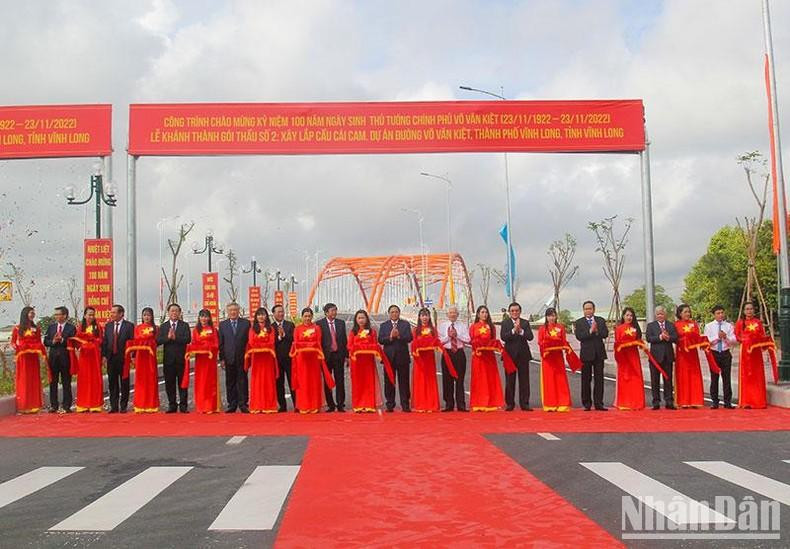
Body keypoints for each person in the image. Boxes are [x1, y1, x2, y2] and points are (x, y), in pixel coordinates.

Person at [347, 310, 393, 413]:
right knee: (357, 384)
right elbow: (349, 346)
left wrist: (365, 347)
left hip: (368, 362)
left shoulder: (372, 332)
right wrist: (357, 348)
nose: (361, 320)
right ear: (356, 320)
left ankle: (369, 404)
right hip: (356, 363)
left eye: (363, 318)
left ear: (366, 319)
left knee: (369, 383)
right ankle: (358, 405)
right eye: (359, 318)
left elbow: (375, 345)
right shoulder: (353, 332)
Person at [290, 308, 333, 414]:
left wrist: (305, 344)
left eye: (309, 316)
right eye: (305, 316)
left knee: (314, 382)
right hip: (301, 360)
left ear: (312, 316)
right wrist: (309, 344)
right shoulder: (297, 329)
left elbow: (317, 342)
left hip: (314, 359)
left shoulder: (317, 328)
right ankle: (303, 405)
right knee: (303, 383)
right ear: (302, 317)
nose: (307, 318)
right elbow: (296, 343)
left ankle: (314, 405)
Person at [735, 302, 775, 409]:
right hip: (745, 352)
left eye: (751, 309)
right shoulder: (740, 323)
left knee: (757, 375)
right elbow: (737, 336)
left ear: (754, 310)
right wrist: (746, 340)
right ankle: (746, 401)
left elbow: (762, 335)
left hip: (756, 353)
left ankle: (758, 401)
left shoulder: (758, 322)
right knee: (746, 375)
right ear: (744, 311)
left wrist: (765, 342)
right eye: (747, 309)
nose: (749, 311)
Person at [469, 305, 509, 411]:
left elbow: (493, 340)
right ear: (478, 314)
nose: (484, 314)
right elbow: (471, 340)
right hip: (478, 356)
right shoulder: (473, 326)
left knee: (490, 378)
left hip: (489, 356)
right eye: (482, 312)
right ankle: (478, 403)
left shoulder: (491, 327)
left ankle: (491, 402)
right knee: (479, 379)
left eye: (486, 312)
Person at [410, 308, 449, 413]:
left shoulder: (433, 329)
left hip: (429, 358)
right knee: (420, 380)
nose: (424, 317)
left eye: (426, 315)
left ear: (429, 317)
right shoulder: (415, 330)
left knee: (430, 380)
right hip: (419, 359)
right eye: (422, 315)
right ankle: (420, 404)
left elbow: (437, 342)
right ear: (419, 317)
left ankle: (431, 404)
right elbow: (413, 344)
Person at [536, 308, 574, 412]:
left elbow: (563, 341)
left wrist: (565, 347)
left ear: (556, 316)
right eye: (549, 316)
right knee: (549, 380)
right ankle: (550, 404)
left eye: (553, 315)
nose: (551, 318)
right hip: (547, 358)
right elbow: (540, 342)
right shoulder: (542, 329)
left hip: (558, 357)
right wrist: (547, 347)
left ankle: (563, 403)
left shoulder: (560, 327)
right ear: (546, 317)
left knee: (560, 379)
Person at [10, 306, 46, 413]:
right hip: (23, 358)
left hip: (33, 358)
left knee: (34, 380)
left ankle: (35, 405)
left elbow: (39, 342)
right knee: (24, 380)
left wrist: (39, 348)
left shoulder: (37, 328)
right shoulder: (17, 328)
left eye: (33, 313)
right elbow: (12, 342)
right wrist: (17, 347)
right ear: (25, 314)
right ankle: (24, 406)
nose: (32, 315)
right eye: (31, 313)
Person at [574, 301, 609, 411]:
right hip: (586, 354)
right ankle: (587, 403)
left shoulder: (600, 320)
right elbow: (579, 336)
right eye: (586, 309)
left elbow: (605, 334)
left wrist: (597, 330)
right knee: (586, 379)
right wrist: (590, 331)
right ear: (583, 310)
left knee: (599, 379)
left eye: (590, 308)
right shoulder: (579, 322)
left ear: (594, 309)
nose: (588, 311)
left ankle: (599, 403)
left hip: (599, 354)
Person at [157, 303, 191, 413]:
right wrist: (168, 338)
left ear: (180, 312)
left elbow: (188, 339)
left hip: (181, 359)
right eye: (172, 311)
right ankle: (172, 405)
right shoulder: (164, 326)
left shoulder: (184, 325)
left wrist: (175, 337)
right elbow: (158, 341)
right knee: (170, 383)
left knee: (183, 383)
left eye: (176, 311)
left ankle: (183, 405)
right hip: (169, 360)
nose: (174, 313)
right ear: (168, 313)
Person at [378, 304, 413, 412]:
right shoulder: (384, 325)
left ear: (399, 313)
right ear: (389, 314)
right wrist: (390, 337)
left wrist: (399, 336)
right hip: (388, 358)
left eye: (396, 312)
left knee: (404, 382)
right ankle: (390, 405)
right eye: (392, 312)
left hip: (402, 357)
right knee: (389, 382)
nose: (394, 314)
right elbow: (380, 340)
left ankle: (405, 404)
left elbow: (409, 338)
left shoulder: (405, 324)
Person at [500, 302, 534, 411]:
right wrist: (513, 331)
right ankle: (510, 403)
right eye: (512, 311)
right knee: (510, 381)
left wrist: (521, 331)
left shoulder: (525, 323)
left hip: (523, 355)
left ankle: (524, 403)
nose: (515, 312)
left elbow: (530, 337)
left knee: (524, 380)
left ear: (520, 311)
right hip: (509, 355)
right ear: (510, 312)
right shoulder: (505, 323)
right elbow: (503, 337)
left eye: (517, 311)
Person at [69, 307, 104, 413]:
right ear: (84, 315)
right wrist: (83, 344)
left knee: (94, 379)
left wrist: (93, 341)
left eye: (93, 315)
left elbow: (101, 339)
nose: (91, 317)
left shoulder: (97, 327)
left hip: (94, 356)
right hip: (84, 356)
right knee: (84, 379)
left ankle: (95, 404)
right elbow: (77, 341)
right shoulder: (80, 327)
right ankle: (83, 404)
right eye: (89, 314)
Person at [125, 307, 160, 413]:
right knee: (140, 380)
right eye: (145, 315)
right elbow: (136, 340)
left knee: (151, 379)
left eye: (149, 315)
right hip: (141, 356)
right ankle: (140, 405)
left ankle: (151, 405)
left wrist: (149, 340)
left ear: (152, 316)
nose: (147, 317)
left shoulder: (156, 328)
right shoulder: (137, 328)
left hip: (150, 356)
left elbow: (157, 342)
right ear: (142, 316)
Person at [245, 307, 279, 414]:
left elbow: (271, 341)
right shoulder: (252, 329)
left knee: (268, 381)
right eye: (259, 315)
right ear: (256, 317)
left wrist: (260, 344)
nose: (261, 317)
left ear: (266, 316)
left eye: (263, 314)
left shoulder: (271, 329)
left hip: (268, 358)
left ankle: (269, 405)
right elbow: (251, 342)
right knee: (257, 381)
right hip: (257, 359)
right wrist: (262, 344)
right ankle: (257, 405)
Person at [218, 302, 251, 413]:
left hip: (242, 357)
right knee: (230, 381)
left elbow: (249, 341)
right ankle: (232, 404)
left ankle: (243, 404)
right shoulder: (223, 325)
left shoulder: (246, 323)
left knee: (242, 381)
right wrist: (222, 358)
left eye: (235, 310)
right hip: (229, 358)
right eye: (231, 310)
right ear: (227, 312)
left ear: (239, 311)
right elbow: (221, 343)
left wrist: (249, 356)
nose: (233, 312)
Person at [185, 309, 220, 413]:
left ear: (209, 318)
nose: (204, 318)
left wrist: (208, 346)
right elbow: (194, 343)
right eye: (202, 316)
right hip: (200, 361)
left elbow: (216, 344)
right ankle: (201, 406)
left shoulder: (213, 330)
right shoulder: (196, 330)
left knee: (210, 383)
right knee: (200, 383)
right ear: (199, 318)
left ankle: (210, 406)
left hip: (210, 360)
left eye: (206, 316)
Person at [101, 304, 135, 413]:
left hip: (123, 358)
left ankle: (123, 405)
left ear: (121, 314)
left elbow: (132, 342)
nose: (112, 314)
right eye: (111, 312)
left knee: (124, 382)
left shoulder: (129, 326)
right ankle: (114, 406)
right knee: (112, 383)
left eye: (114, 312)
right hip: (111, 358)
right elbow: (105, 342)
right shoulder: (108, 326)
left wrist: (132, 355)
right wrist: (104, 356)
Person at [437, 306, 470, 411]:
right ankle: (449, 404)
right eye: (450, 313)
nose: (452, 314)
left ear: (457, 314)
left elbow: (468, 339)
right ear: (447, 315)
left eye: (454, 313)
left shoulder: (463, 326)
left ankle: (461, 405)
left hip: (459, 353)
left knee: (460, 379)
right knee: (447, 380)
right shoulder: (442, 326)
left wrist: (457, 336)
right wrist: (448, 336)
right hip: (447, 353)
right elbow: (439, 341)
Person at [43, 306, 76, 413]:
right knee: (53, 382)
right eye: (55, 314)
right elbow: (45, 341)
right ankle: (54, 405)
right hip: (53, 358)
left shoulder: (71, 328)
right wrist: (53, 341)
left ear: (65, 315)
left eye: (58, 314)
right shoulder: (51, 327)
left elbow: (73, 342)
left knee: (66, 382)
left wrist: (61, 339)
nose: (56, 316)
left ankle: (66, 405)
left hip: (65, 358)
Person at [704, 305, 737, 409]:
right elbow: (706, 341)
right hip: (714, 353)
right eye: (718, 313)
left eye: (722, 312)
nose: (720, 315)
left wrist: (725, 337)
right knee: (714, 378)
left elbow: (734, 340)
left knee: (726, 378)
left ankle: (727, 401)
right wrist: (717, 338)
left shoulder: (729, 326)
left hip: (725, 352)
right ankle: (715, 401)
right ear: (714, 314)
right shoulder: (709, 326)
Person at [317, 303, 348, 412]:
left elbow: (344, 340)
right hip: (326, 357)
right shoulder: (319, 324)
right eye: (332, 310)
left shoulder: (341, 323)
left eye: (335, 310)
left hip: (338, 355)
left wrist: (347, 356)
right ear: (326, 313)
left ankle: (340, 404)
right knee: (327, 381)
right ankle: (330, 404)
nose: (334, 312)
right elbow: (318, 341)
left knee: (340, 381)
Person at [645, 305, 677, 410]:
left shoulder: (671, 325)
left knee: (668, 380)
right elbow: (649, 338)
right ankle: (656, 402)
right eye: (658, 314)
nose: (660, 316)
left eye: (662, 314)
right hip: (655, 357)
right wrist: (660, 337)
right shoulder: (651, 326)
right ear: (655, 315)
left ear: (665, 315)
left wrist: (668, 338)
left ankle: (669, 401)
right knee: (655, 380)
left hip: (667, 356)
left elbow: (676, 337)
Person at [613, 307, 645, 411]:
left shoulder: (635, 328)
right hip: (623, 357)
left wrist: (641, 345)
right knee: (625, 379)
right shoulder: (619, 328)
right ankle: (624, 403)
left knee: (636, 378)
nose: (629, 317)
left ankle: (636, 402)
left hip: (633, 356)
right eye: (627, 315)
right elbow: (617, 343)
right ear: (623, 316)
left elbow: (639, 340)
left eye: (631, 315)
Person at [674, 304, 705, 408]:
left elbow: (697, 336)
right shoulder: (676, 324)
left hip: (692, 354)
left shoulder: (694, 324)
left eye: (688, 311)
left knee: (694, 375)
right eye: (685, 312)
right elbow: (675, 338)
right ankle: (684, 401)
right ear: (680, 313)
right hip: (682, 354)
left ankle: (695, 400)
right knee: (683, 376)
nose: (687, 314)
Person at [272, 304, 296, 412]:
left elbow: (294, 339)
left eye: (282, 311)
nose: (281, 314)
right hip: (276, 359)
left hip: (289, 358)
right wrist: (278, 337)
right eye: (278, 312)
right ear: (274, 314)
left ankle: (297, 404)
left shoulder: (290, 325)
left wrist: (284, 335)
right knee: (279, 383)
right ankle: (282, 405)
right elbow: (270, 342)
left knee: (293, 382)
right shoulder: (271, 327)